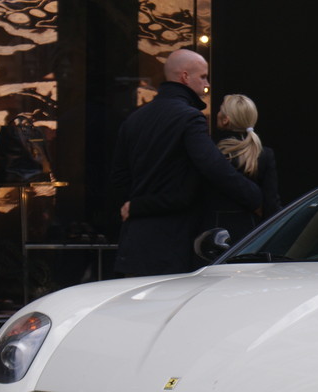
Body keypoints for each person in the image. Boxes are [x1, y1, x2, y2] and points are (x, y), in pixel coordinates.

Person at [111, 49, 261, 277]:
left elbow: (119, 178)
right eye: (202, 76)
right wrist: (253, 196)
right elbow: (212, 166)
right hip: (173, 240)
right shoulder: (189, 118)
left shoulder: (134, 119)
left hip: (134, 240)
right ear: (184, 77)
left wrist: (135, 206)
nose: (206, 83)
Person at [213, 93, 281, 236]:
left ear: (226, 120)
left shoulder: (213, 154)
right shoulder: (264, 154)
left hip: (217, 233)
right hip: (251, 235)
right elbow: (271, 204)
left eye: (220, 110)